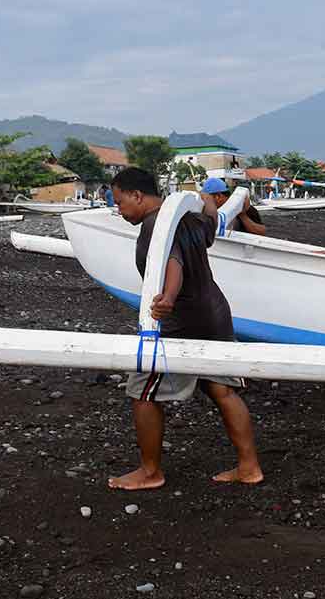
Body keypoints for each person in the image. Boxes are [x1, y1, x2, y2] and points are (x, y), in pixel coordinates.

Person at [107, 167, 263, 490]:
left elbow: (172, 264)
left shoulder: (156, 226)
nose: (118, 210)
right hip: (215, 314)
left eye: (120, 202)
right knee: (223, 390)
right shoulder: (189, 216)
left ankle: (150, 472)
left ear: (138, 196)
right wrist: (206, 200)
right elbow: (212, 219)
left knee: (142, 392)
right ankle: (250, 467)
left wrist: (168, 298)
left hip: (180, 322)